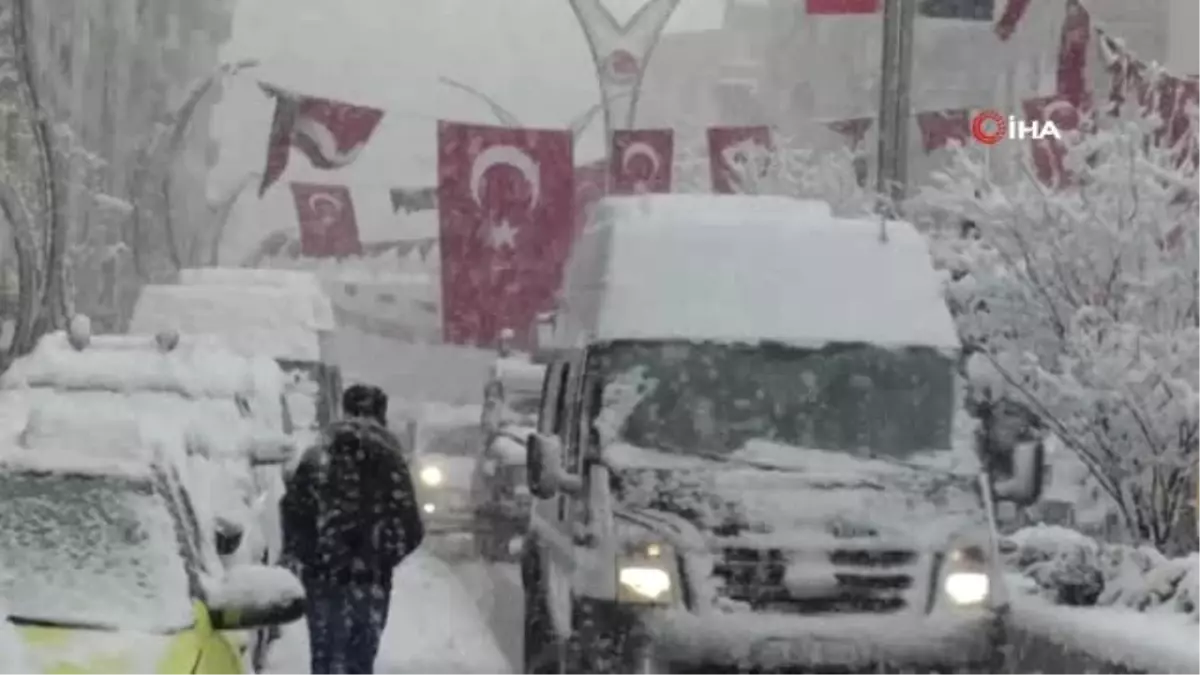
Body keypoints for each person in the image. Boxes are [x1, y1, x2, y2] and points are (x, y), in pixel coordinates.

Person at [280, 383, 424, 675]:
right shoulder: (390, 459)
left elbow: (292, 512)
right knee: (359, 662)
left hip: (322, 581)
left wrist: (312, 559)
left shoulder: (317, 455)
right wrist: (379, 559)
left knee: (324, 659)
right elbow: (411, 527)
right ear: (382, 415)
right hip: (369, 583)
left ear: (344, 410)